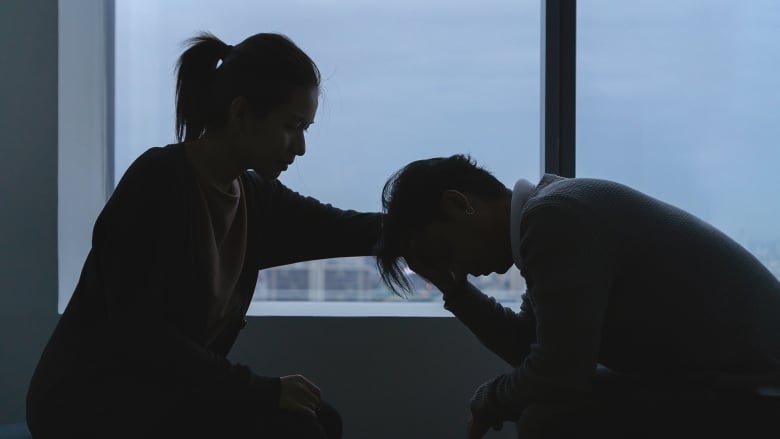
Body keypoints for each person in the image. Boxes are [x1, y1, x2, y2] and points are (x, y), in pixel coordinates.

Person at [27, 32, 381, 438]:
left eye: (305, 130)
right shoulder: (158, 182)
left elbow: (346, 229)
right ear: (242, 113)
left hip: (163, 393)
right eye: (291, 126)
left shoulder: (254, 198)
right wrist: (261, 391)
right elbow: (142, 336)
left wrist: (430, 224)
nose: (299, 147)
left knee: (320, 420)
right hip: (90, 402)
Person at [375, 154, 780, 438]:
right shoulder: (552, 211)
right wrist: (455, 290)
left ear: (459, 204)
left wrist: (490, 400)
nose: (456, 266)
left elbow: (559, 372)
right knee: (547, 414)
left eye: (444, 251)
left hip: (758, 387)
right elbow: (533, 349)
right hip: (732, 379)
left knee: (550, 421)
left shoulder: (556, 219)